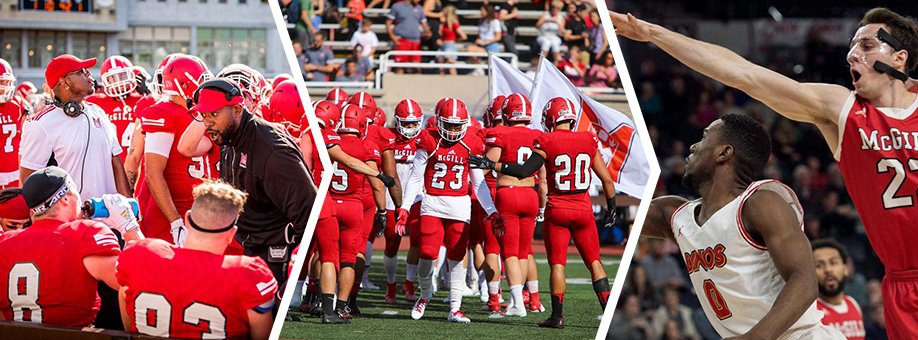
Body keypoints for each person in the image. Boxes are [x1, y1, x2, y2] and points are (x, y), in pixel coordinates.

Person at [611, 8, 918, 337]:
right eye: (852, 46)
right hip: (903, 284)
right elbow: (744, 74)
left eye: (868, 46)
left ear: (899, 58)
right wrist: (652, 33)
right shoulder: (844, 110)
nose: (853, 54)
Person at [640, 114, 842, 338]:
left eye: (705, 137)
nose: (693, 146)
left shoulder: (760, 203)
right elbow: (621, 212)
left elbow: (805, 282)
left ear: (724, 153)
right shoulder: (675, 215)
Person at [471, 97, 617, 328]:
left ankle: (557, 317)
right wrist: (611, 208)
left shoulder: (546, 140)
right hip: (583, 209)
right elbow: (607, 180)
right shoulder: (587, 139)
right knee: (595, 262)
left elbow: (524, 170)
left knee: (558, 265)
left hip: (557, 210)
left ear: (550, 118)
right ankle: (608, 313)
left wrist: (493, 166)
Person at [191, 79, 317, 289]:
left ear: (237, 109)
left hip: (275, 252)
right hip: (251, 245)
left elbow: (309, 213)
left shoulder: (271, 151)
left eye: (214, 114)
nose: (208, 122)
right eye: (204, 115)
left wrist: (293, 275)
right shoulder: (230, 137)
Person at [116, 180, 276, 339]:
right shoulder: (248, 274)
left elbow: (125, 302)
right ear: (231, 234)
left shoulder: (140, 254)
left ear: (187, 219)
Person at [394, 97, 500, 323]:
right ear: (439, 122)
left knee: (456, 255)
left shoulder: (471, 141)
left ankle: (455, 308)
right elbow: (415, 178)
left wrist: (491, 211)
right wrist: (404, 207)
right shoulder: (428, 139)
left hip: (459, 204)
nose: (453, 130)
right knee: (427, 253)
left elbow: (478, 182)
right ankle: (424, 295)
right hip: (432, 202)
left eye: (457, 125)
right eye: (449, 125)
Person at [0, 166, 142, 327]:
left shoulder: (4, 242)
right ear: (65, 198)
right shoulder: (84, 234)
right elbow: (141, 282)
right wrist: (129, 228)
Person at [19, 54, 132, 199]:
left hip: (110, 216)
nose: (88, 74)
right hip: (69, 218)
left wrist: (129, 206)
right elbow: (28, 182)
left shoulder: (99, 112)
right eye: (81, 71)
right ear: (63, 82)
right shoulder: (40, 124)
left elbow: (116, 163)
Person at [478, 93, 544, 317]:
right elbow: (542, 178)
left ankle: (517, 302)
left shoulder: (501, 133)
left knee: (509, 254)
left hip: (508, 193)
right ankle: (527, 297)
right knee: (524, 252)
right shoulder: (537, 136)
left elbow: (484, 168)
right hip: (531, 194)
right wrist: (543, 205)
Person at [141, 55, 217, 245]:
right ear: (184, 85)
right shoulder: (162, 113)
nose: (204, 85)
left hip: (199, 211)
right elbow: (153, 172)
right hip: (170, 215)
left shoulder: (198, 113)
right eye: (201, 80)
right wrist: (175, 221)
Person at [86, 56, 143, 164]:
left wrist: (148, 94)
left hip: (135, 163)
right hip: (108, 163)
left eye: (121, 76)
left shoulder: (141, 100)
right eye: (112, 78)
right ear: (105, 80)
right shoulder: (94, 102)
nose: (118, 82)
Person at [813, 239, 866, 339]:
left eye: (833, 263)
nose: (828, 270)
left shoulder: (853, 303)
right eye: (819, 265)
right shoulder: (811, 312)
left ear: (846, 269)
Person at [0, 58, 27, 189]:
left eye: (7, 82)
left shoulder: (18, 104)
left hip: (15, 169)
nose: (4, 87)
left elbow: (27, 135)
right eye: (1, 82)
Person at [386, 0, 429, 74]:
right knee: (400, 66)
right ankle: (400, 84)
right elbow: (388, 23)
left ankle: (416, 84)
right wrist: (393, 37)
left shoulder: (419, 8)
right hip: (402, 40)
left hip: (415, 41)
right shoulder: (397, 6)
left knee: (416, 66)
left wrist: (427, 32)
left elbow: (424, 24)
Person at [437, 5, 466, 76]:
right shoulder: (444, 23)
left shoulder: (454, 23)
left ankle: (454, 82)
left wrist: (454, 40)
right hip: (443, 44)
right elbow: (440, 32)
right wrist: (441, 22)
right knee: (441, 65)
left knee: (451, 66)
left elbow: (464, 36)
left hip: (450, 44)